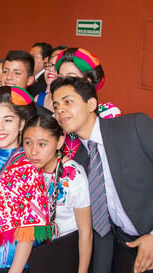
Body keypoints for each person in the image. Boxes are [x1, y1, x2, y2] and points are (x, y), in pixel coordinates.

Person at [51, 76, 153, 273]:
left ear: (91, 104)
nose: (60, 110)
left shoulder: (134, 127)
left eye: (67, 101)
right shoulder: (79, 160)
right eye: (56, 106)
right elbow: (101, 223)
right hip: (125, 249)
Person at [0, 86, 51, 273]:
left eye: (8, 120)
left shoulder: (27, 167)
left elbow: (28, 230)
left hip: (13, 265)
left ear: (22, 124)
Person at [23, 114, 92, 273]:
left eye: (42, 144)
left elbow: (85, 232)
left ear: (59, 142)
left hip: (64, 252)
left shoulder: (73, 175)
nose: (34, 151)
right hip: (33, 252)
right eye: (28, 143)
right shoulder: (25, 171)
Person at [54, 47, 122, 159]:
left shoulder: (108, 113)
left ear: (88, 81)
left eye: (71, 77)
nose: (63, 84)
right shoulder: (58, 116)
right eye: (60, 78)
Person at [1, 50, 52, 115]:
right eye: (5, 72)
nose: (9, 77)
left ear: (29, 80)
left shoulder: (39, 115)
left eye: (17, 73)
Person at [34, 45, 67, 112]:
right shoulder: (38, 98)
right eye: (50, 65)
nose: (51, 69)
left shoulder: (72, 101)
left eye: (57, 66)